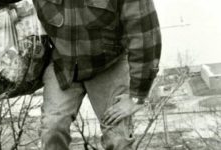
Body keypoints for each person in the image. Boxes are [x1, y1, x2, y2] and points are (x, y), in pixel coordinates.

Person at [32, 0, 161, 149]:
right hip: (63, 64)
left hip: (109, 63)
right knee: (52, 129)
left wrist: (137, 96)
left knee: (118, 138)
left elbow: (145, 36)